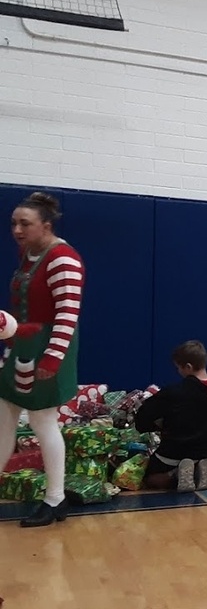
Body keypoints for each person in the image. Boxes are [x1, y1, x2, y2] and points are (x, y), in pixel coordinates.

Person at [0, 192, 84, 528]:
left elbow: (67, 315)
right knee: (3, 417)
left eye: (25, 224)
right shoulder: (29, 255)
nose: (17, 230)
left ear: (45, 226)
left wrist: (52, 359)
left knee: (43, 422)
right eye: (13, 223)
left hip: (49, 350)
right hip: (22, 347)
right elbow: (24, 310)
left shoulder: (64, 258)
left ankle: (55, 498)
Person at [136, 340, 207, 491]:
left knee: (149, 478)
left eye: (178, 368)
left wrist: (157, 425)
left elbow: (142, 418)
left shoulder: (174, 392)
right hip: (205, 451)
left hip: (173, 454)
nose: (178, 372)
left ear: (188, 367)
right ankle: (201, 468)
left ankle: (175, 475)